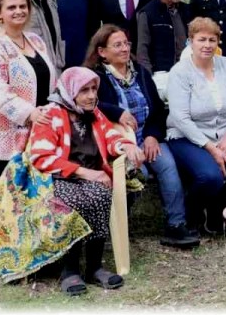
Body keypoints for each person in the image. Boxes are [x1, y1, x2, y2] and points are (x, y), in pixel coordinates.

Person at [18, 67, 144, 295]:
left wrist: (125, 146)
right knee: (74, 201)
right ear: (70, 91)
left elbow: (110, 136)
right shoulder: (51, 114)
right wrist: (86, 173)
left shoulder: (94, 113)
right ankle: (70, 269)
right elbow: (41, 157)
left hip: (91, 176)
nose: (91, 95)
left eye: (94, 89)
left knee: (101, 195)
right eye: (84, 90)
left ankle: (94, 267)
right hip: (58, 177)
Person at [86, 25, 199, 249]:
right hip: (117, 143)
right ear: (102, 52)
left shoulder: (141, 73)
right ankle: (115, 228)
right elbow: (89, 105)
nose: (124, 49)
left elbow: (157, 110)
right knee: (139, 174)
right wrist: (117, 112)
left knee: (167, 166)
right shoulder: (95, 78)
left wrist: (152, 136)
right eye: (117, 45)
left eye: (126, 43)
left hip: (146, 138)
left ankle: (176, 225)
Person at [165, 17, 226, 233]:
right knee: (210, 176)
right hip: (188, 137)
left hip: (225, 135)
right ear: (191, 41)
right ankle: (192, 214)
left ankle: (217, 211)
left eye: (212, 40)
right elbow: (180, 117)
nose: (207, 45)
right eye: (201, 39)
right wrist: (211, 148)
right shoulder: (179, 72)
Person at [0, 0, 57, 179]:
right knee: (15, 192)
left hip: (43, 128)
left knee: (43, 190)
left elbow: (51, 80)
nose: (19, 11)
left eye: (23, 6)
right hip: (11, 134)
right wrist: (30, 113)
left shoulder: (36, 40)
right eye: (11, 7)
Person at [135, 0, 191, 74]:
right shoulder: (147, 13)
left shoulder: (188, 10)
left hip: (189, 70)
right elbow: (142, 52)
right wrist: (148, 78)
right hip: (162, 74)